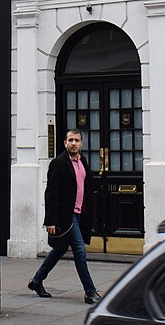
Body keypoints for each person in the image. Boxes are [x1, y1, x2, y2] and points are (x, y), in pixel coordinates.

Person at [28, 128, 101, 305]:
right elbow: (51, 193)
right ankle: (90, 292)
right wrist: (50, 221)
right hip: (65, 217)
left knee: (59, 250)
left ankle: (36, 281)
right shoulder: (58, 163)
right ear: (65, 143)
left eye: (76, 140)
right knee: (80, 251)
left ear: (81, 143)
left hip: (79, 214)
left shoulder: (82, 161)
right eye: (70, 140)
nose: (73, 143)